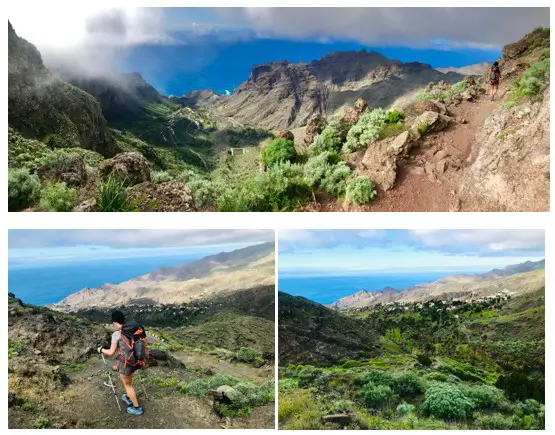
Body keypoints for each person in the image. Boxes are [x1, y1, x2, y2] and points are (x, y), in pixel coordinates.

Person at [98, 310, 144, 415]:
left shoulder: (116, 334)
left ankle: (136, 408)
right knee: (128, 382)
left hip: (125, 363)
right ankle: (128, 397)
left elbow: (111, 352)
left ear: (115, 322)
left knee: (128, 385)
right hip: (135, 361)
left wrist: (101, 350)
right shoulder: (132, 330)